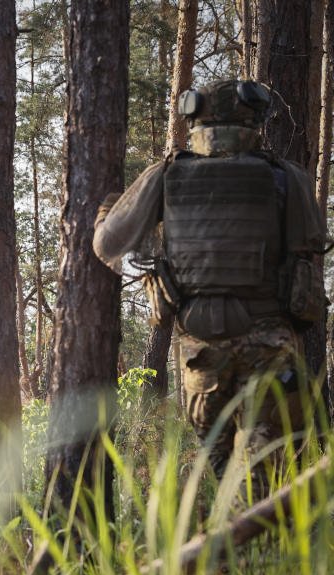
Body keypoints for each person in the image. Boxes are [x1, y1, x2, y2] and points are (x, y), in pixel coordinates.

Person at [93, 79, 326, 500]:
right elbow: (310, 245)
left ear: (194, 119)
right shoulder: (287, 177)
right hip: (270, 343)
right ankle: (268, 554)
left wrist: (105, 212)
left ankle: (225, 548)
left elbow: (108, 246)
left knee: (216, 462)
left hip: (202, 349)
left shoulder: (166, 174)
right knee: (271, 468)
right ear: (254, 119)